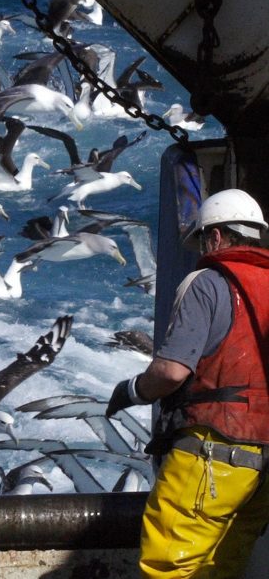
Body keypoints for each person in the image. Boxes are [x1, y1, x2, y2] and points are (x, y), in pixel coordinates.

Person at [107, 188, 269, 578]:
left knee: (170, 567)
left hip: (214, 454)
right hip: (263, 468)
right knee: (224, 567)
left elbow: (171, 372)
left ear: (214, 236)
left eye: (201, 240)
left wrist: (131, 391)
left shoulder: (209, 282)